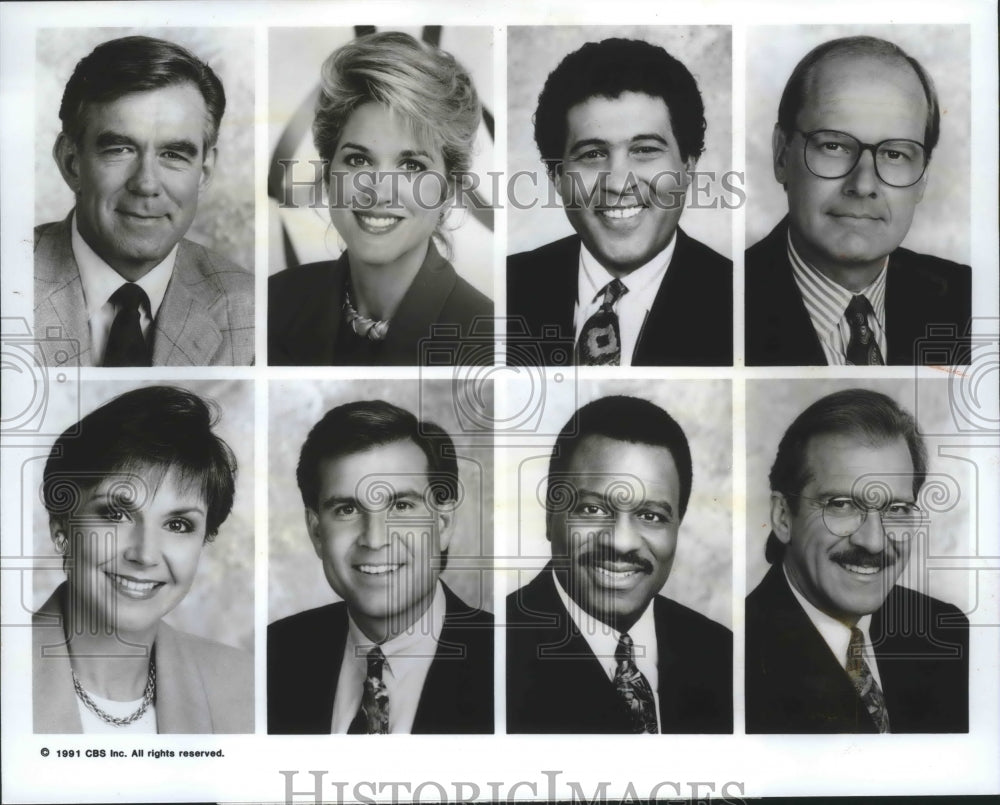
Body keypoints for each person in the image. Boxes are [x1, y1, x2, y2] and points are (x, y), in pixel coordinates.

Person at [746, 389, 969, 733]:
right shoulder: (735, 657)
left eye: (896, 509)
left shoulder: (946, 632)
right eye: (841, 504)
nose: (873, 541)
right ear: (783, 516)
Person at [33, 386, 253, 734]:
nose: (145, 554)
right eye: (115, 514)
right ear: (61, 527)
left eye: (178, 524)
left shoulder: (246, 686)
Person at [507, 396, 732, 733]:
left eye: (651, 516)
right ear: (551, 517)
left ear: (677, 526)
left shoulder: (722, 655)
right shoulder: (496, 650)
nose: (622, 542)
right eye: (593, 510)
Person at [268, 32, 493, 366]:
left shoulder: (487, 337)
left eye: (412, 166)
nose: (379, 190)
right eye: (359, 160)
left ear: (448, 189)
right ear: (330, 174)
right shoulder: (274, 300)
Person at [268, 400, 493, 733]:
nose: (374, 540)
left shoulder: (506, 659)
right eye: (347, 509)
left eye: (401, 506)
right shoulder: (272, 657)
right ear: (316, 531)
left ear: (443, 524)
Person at [745, 36, 971, 366]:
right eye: (834, 146)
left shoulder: (970, 299)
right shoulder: (718, 302)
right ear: (782, 154)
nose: (863, 184)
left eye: (895, 154)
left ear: (922, 177)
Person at [507, 38, 732, 367]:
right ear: (557, 176)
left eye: (644, 150)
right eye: (593, 154)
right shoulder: (508, 287)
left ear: (688, 165)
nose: (618, 182)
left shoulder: (743, 300)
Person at [34, 35, 254, 368]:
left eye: (173, 154)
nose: (146, 184)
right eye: (119, 149)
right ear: (71, 162)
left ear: (204, 172)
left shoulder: (250, 311)